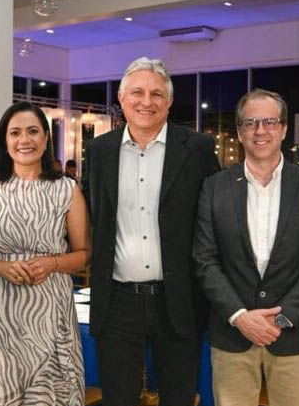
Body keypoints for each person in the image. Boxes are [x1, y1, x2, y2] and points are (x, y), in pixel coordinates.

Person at [81, 57, 221, 406]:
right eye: (138, 92)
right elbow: (89, 215)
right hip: (117, 302)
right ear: (121, 98)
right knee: (118, 399)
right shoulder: (99, 151)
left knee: (178, 397)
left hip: (178, 300)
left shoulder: (198, 149)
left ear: (169, 101)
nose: (147, 101)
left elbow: (214, 220)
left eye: (157, 93)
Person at [194, 89, 299, 406]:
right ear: (240, 132)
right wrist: (240, 316)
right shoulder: (214, 188)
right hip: (232, 334)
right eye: (251, 123)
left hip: (291, 336)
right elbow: (205, 261)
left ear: (283, 129)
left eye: (270, 122)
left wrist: (281, 318)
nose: (260, 130)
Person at [0, 101, 92, 406]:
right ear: (4, 141)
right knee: (3, 392)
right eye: (15, 133)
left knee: (53, 395)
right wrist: (0, 267)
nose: (24, 140)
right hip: (3, 313)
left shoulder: (67, 189)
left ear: (45, 138)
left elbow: (85, 253)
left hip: (52, 311)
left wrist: (53, 263)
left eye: (33, 131)